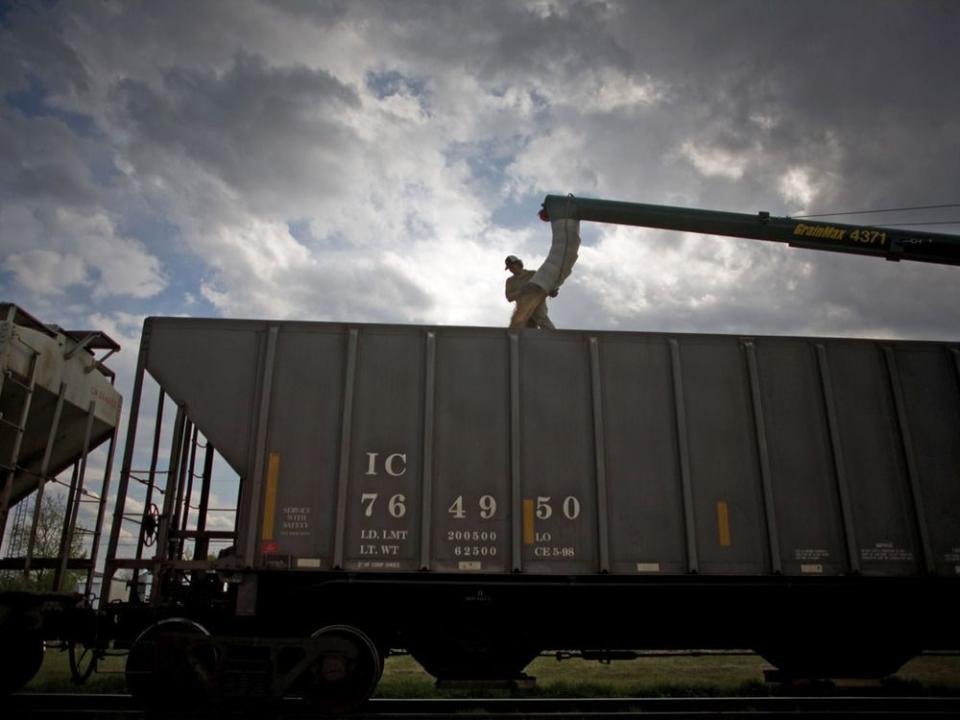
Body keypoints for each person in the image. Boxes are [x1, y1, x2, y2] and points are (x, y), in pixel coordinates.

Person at [504, 255, 556, 329]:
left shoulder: (533, 274)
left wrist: (551, 292)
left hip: (537, 306)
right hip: (523, 309)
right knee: (527, 332)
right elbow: (509, 298)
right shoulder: (510, 281)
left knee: (544, 323)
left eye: (512, 266)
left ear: (518, 264)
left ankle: (555, 338)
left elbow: (544, 287)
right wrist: (522, 291)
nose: (511, 269)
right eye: (509, 268)